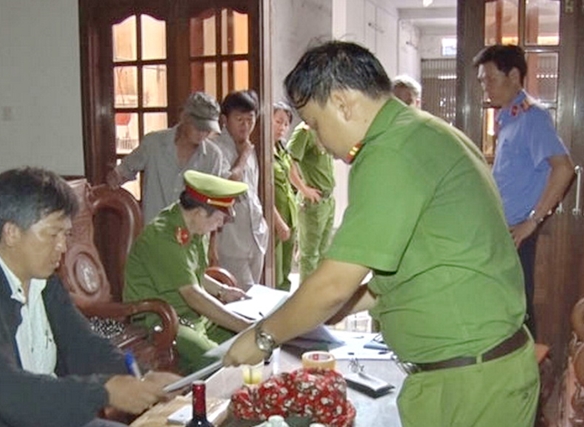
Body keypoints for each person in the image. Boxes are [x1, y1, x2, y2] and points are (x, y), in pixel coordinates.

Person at [224, 41, 539, 427]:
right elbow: (397, 278)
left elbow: (334, 284)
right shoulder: (421, 132)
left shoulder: (392, 150)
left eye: (316, 124)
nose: (319, 141)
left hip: (471, 382)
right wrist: (330, 310)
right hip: (470, 373)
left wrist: (263, 336)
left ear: (342, 102)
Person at [0, 167, 180, 427]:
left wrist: (141, 376)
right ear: (11, 232)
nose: (63, 246)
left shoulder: (44, 283)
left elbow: (83, 343)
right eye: (53, 234)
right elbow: (10, 392)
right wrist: (104, 391)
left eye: (66, 234)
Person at [473, 44, 574, 337]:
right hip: (500, 229)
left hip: (518, 233)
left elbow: (564, 168)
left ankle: (527, 365)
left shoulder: (533, 117)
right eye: (482, 81)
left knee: (518, 309)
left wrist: (533, 220)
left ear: (514, 76)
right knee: (501, 306)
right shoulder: (508, 117)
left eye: (490, 79)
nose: (485, 87)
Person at [123, 170, 253, 375]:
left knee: (245, 348)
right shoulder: (163, 236)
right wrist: (244, 326)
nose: (221, 225)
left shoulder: (194, 226)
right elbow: (192, 294)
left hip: (192, 317)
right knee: (219, 363)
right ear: (200, 212)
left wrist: (223, 291)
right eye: (220, 218)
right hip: (162, 320)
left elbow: (194, 275)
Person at [106, 91, 229, 224]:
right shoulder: (153, 144)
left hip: (192, 233)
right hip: (154, 231)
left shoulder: (213, 156)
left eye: (207, 129)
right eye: (198, 127)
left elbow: (214, 203)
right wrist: (115, 177)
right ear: (184, 117)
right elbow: (124, 171)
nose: (202, 133)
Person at [214, 90, 269, 287]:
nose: (246, 126)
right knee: (241, 296)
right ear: (224, 120)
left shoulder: (247, 147)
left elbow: (253, 190)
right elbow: (229, 185)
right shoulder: (216, 149)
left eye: (250, 119)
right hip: (231, 239)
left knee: (254, 294)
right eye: (239, 120)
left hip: (255, 235)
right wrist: (244, 155)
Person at [286, 121, 336, 281]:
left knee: (324, 254)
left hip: (328, 199)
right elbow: (288, 161)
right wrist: (303, 189)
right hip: (314, 201)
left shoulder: (324, 129)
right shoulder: (304, 131)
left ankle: (319, 293)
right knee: (309, 256)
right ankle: (307, 295)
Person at [271, 101, 298, 291]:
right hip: (275, 219)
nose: (282, 127)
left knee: (286, 271)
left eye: (286, 124)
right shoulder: (262, 151)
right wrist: (278, 222)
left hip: (290, 216)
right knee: (275, 271)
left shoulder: (282, 149)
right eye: (278, 121)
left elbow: (291, 178)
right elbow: (262, 191)